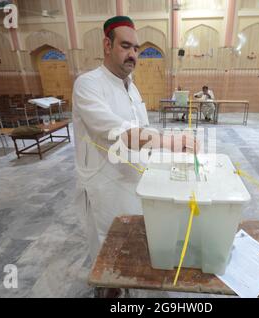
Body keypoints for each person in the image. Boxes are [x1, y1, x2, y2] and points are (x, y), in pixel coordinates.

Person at [72, 16, 197, 298]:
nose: (133, 55)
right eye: (126, 46)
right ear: (107, 44)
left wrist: (169, 155)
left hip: (133, 180)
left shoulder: (131, 86)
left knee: (134, 249)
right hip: (104, 186)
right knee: (109, 254)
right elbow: (118, 133)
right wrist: (171, 141)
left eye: (137, 48)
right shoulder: (88, 84)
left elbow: (143, 130)